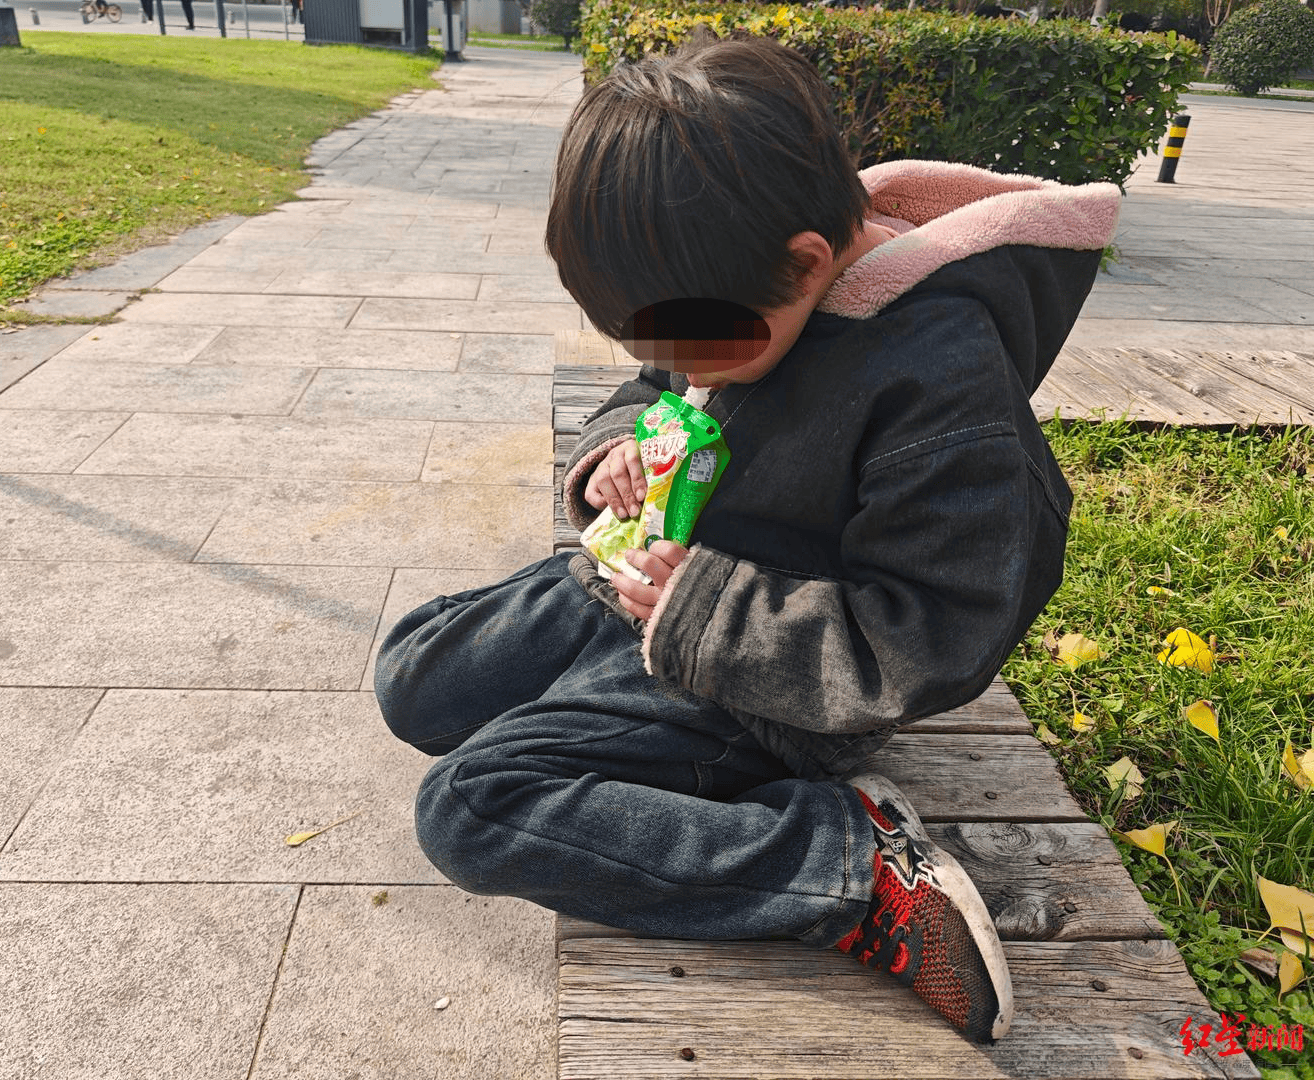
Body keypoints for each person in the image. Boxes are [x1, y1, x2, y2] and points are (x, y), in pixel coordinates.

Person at [374, 26, 1118, 1045]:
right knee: (414, 675)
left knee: (472, 805)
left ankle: (850, 869)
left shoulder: (942, 388)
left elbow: (932, 638)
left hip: (764, 676)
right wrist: (616, 458)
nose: (683, 368)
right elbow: (650, 392)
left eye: (688, 346)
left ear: (808, 264)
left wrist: (703, 613)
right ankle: (604, 724)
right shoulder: (737, 271)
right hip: (642, 583)